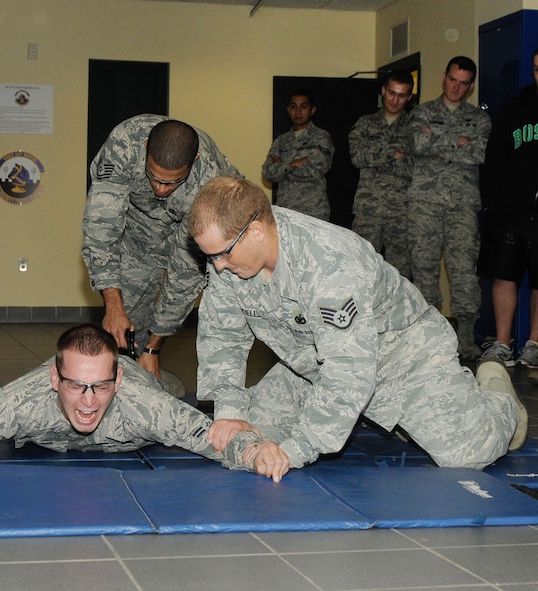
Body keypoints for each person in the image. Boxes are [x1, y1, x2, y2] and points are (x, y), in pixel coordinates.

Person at [187, 176, 528, 483]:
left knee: (468, 454)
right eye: (211, 256)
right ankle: (383, 418)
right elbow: (223, 335)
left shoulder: (330, 264)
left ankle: (497, 395)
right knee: (242, 442)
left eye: (223, 254)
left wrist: (296, 449)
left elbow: (350, 371)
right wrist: (230, 413)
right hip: (312, 366)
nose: (218, 266)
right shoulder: (229, 255)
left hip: (401, 359)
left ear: (256, 231)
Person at [0, 324, 265, 472]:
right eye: (76, 385)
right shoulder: (26, 399)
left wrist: (256, 452)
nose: (89, 401)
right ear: (55, 379)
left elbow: (209, 435)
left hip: (150, 382)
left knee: (171, 388)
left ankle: (139, 367)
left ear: (117, 380)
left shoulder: (144, 403)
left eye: (102, 386)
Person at [82, 115, 241, 395]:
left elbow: (185, 276)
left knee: (196, 302)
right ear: (145, 148)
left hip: (199, 224)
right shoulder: (123, 147)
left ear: (194, 162)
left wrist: (154, 347)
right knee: (123, 322)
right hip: (140, 232)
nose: (160, 189)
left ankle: (153, 369)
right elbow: (101, 231)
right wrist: (114, 306)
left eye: (172, 182)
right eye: (154, 177)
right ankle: (126, 381)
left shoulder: (211, 182)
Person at [406, 56, 492, 361]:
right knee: (424, 268)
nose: (456, 87)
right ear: (444, 77)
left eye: (464, 83)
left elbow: (478, 152)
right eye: (452, 79)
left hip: (463, 205)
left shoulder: (480, 120)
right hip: (424, 203)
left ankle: (466, 339)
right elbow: (417, 143)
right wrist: (458, 141)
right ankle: (430, 335)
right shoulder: (422, 112)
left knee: (463, 269)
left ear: (471, 86)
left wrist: (438, 140)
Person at [478, 48, 538, 368]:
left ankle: (534, 345)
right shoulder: (515, 109)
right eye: (537, 68)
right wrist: (492, 206)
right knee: (504, 275)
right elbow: (494, 161)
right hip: (510, 211)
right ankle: (502, 343)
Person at [348, 70, 415, 278]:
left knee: (401, 273)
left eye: (402, 95)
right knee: (362, 267)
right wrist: (393, 154)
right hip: (369, 208)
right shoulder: (365, 124)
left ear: (409, 97)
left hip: (401, 210)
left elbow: (417, 166)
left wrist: (377, 155)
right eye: (392, 93)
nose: (396, 100)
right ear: (383, 91)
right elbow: (357, 156)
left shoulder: (415, 127)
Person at [261, 89, 334, 221]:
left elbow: (316, 170)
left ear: (312, 110)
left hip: (313, 212)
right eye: (293, 106)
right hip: (285, 212)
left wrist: (282, 165)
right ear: (288, 110)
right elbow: (268, 173)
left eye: (303, 106)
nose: (298, 111)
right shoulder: (281, 140)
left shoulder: (321, 137)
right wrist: (294, 164)